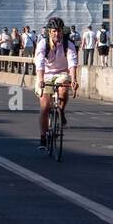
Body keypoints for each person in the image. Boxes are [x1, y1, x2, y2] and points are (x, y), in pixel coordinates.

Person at [35, 16, 79, 148]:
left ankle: (61, 111)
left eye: (59, 31)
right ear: (49, 31)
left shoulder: (68, 44)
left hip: (62, 73)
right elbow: (40, 62)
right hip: (46, 75)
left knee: (64, 91)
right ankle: (43, 136)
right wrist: (41, 79)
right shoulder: (43, 44)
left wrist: (74, 79)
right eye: (54, 31)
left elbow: (72, 62)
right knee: (45, 106)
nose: (57, 34)